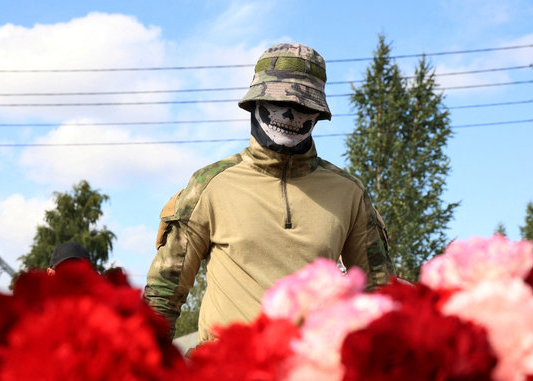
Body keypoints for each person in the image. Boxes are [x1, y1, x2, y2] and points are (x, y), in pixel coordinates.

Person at [144, 42, 395, 342]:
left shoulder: (349, 193)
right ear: (254, 103)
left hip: (309, 376)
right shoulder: (210, 185)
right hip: (224, 378)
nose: (290, 114)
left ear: (318, 113)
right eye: (280, 101)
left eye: (303, 105)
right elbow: (163, 295)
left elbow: (379, 298)